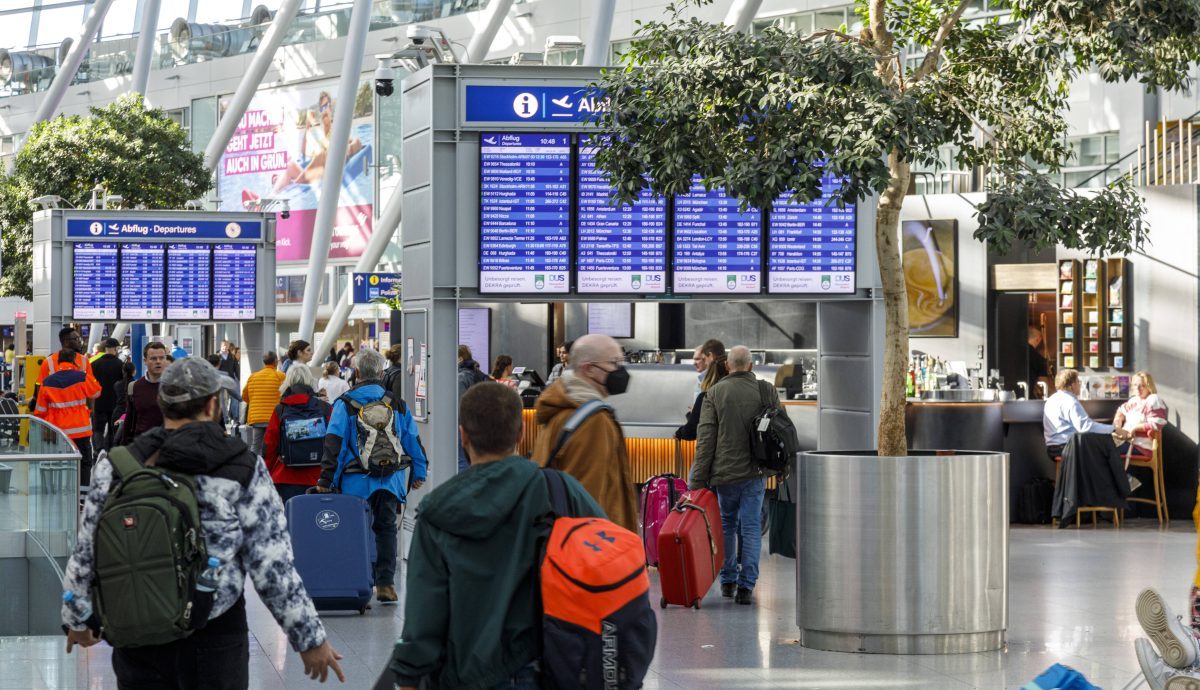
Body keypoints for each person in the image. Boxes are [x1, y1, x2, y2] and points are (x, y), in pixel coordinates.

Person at [61, 358, 345, 688]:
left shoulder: (118, 465)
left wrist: (77, 618)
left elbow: (87, 549)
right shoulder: (242, 465)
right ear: (213, 405)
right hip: (215, 633)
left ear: (162, 403)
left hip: (137, 629)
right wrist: (309, 638)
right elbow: (271, 564)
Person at [384, 382, 604, 689]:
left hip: (467, 675)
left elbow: (425, 612)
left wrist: (409, 674)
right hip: (551, 669)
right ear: (520, 434)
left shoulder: (437, 510)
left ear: (463, 436)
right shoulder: (560, 490)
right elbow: (605, 563)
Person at [315, 348, 427, 604]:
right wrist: (419, 472)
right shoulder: (395, 402)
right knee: (386, 528)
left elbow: (334, 444)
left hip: (355, 481)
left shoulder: (345, 403)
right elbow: (412, 439)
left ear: (357, 372)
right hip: (389, 479)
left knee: (355, 531)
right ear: (381, 372)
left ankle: (360, 583)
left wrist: (326, 479)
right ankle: (385, 583)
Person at [688, 345, 769, 606]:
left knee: (727, 525)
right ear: (751, 365)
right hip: (756, 471)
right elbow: (778, 430)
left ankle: (728, 581)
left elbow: (706, 441)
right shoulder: (765, 390)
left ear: (727, 365)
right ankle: (747, 586)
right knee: (751, 527)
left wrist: (696, 481)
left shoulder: (714, 393)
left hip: (725, 474)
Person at [532, 334, 638, 532]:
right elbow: (587, 498)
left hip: (562, 538)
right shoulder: (593, 422)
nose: (620, 370)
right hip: (598, 541)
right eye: (614, 363)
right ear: (589, 368)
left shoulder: (561, 407)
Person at [33, 327, 101, 485]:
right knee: (83, 461)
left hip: (56, 427)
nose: (79, 341)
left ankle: (55, 490)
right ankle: (80, 493)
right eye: (76, 338)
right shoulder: (49, 363)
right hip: (78, 426)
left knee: (55, 462)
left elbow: (40, 400)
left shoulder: (83, 361)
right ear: (65, 341)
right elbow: (94, 392)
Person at [263, 363, 332, 503]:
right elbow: (334, 442)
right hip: (318, 478)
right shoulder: (325, 408)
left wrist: (266, 474)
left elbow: (269, 445)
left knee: (290, 515)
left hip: (286, 478)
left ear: (288, 382)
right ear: (310, 380)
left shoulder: (281, 410)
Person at [1043, 368, 1130, 460]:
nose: (1080, 385)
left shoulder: (1051, 400)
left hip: (1052, 448)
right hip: (1068, 447)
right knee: (1109, 448)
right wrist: (1114, 429)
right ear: (1072, 385)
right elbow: (1085, 427)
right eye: (1078, 382)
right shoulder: (1070, 401)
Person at [119, 342, 169, 445]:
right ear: (145, 361)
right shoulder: (135, 387)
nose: (158, 362)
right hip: (141, 446)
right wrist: (125, 445)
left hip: (167, 446)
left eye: (161, 358)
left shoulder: (174, 386)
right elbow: (130, 419)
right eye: (153, 358)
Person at [1114, 371, 1168, 457]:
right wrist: (1118, 427)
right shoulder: (1134, 400)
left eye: (1142, 385)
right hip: (1124, 442)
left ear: (1149, 386)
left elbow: (1157, 423)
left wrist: (1135, 428)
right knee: (1099, 447)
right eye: (1135, 385)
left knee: (1106, 452)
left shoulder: (1153, 399)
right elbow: (1120, 412)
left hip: (1141, 446)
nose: (1138, 388)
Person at [242, 351, 286, 457]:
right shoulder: (280, 376)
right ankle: (270, 464)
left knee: (256, 444)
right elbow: (285, 395)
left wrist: (255, 403)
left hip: (257, 418)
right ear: (275, 361)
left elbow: (244, 396)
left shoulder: (253, 377)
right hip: (273, 417)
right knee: (273, 444)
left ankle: (253, 464)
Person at [675, 355, 728, 441]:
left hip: (712, 446)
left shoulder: (705, 397)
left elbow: (690, 432)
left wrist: (679, 433)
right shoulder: (738, 394)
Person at [90, 338, 125, 462]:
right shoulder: (120, 364)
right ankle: (109, 452)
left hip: (98, 402)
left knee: (97, 429)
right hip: (115, 403)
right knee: (112, 429)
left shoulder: (94, 364)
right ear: (115, 349)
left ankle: (98, 451)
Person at [456, 345, 489, 473]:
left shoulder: (461, 377)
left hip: (464, 426)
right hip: (480, 425)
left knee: (462, 462)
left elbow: (460, 406)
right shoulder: (478, 374)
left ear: (460, 359)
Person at [218, 341, 241, 422]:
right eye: (223, 346)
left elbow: (236, 368)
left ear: (228, 347)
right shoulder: (218, 356)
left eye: (226, 345)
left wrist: (239, 378)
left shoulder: (232, 356)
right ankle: (224, 417)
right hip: (221, 381)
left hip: (230, 380)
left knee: (234, 398)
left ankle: (234, 416)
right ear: (221, 346)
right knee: (223, 399)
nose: (225, 347)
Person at [1027, 326, 1051, 399]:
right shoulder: (1037, 357)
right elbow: (1043, 381)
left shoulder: (1012, 352)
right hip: (1029, 395)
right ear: (1038, 339)